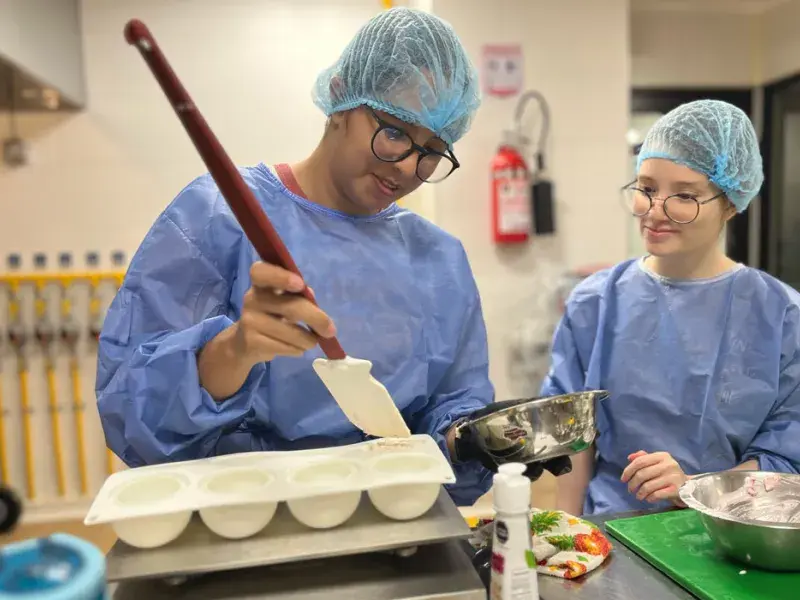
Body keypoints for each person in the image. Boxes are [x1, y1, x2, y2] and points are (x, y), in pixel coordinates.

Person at [96, 7, 567, 506]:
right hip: (244, 527)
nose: (409, 166)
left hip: (393, 534)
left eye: (433, 150)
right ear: (342, 98)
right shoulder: (218, 216)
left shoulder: (437, 259)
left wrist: (475, 439)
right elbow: (133, 413)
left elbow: (445, 411)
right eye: (396, 132)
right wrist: (234, 351)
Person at [542, 99, 800, 516]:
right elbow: (572, 438)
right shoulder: (596, 304)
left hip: (730, 537)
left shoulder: (782, 317)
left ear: (731, 202)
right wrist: (569, 535)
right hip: (613, 533)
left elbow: (786, 461)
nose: (654, 211)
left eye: (684, 196)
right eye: (646, 189)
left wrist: (694, 488)